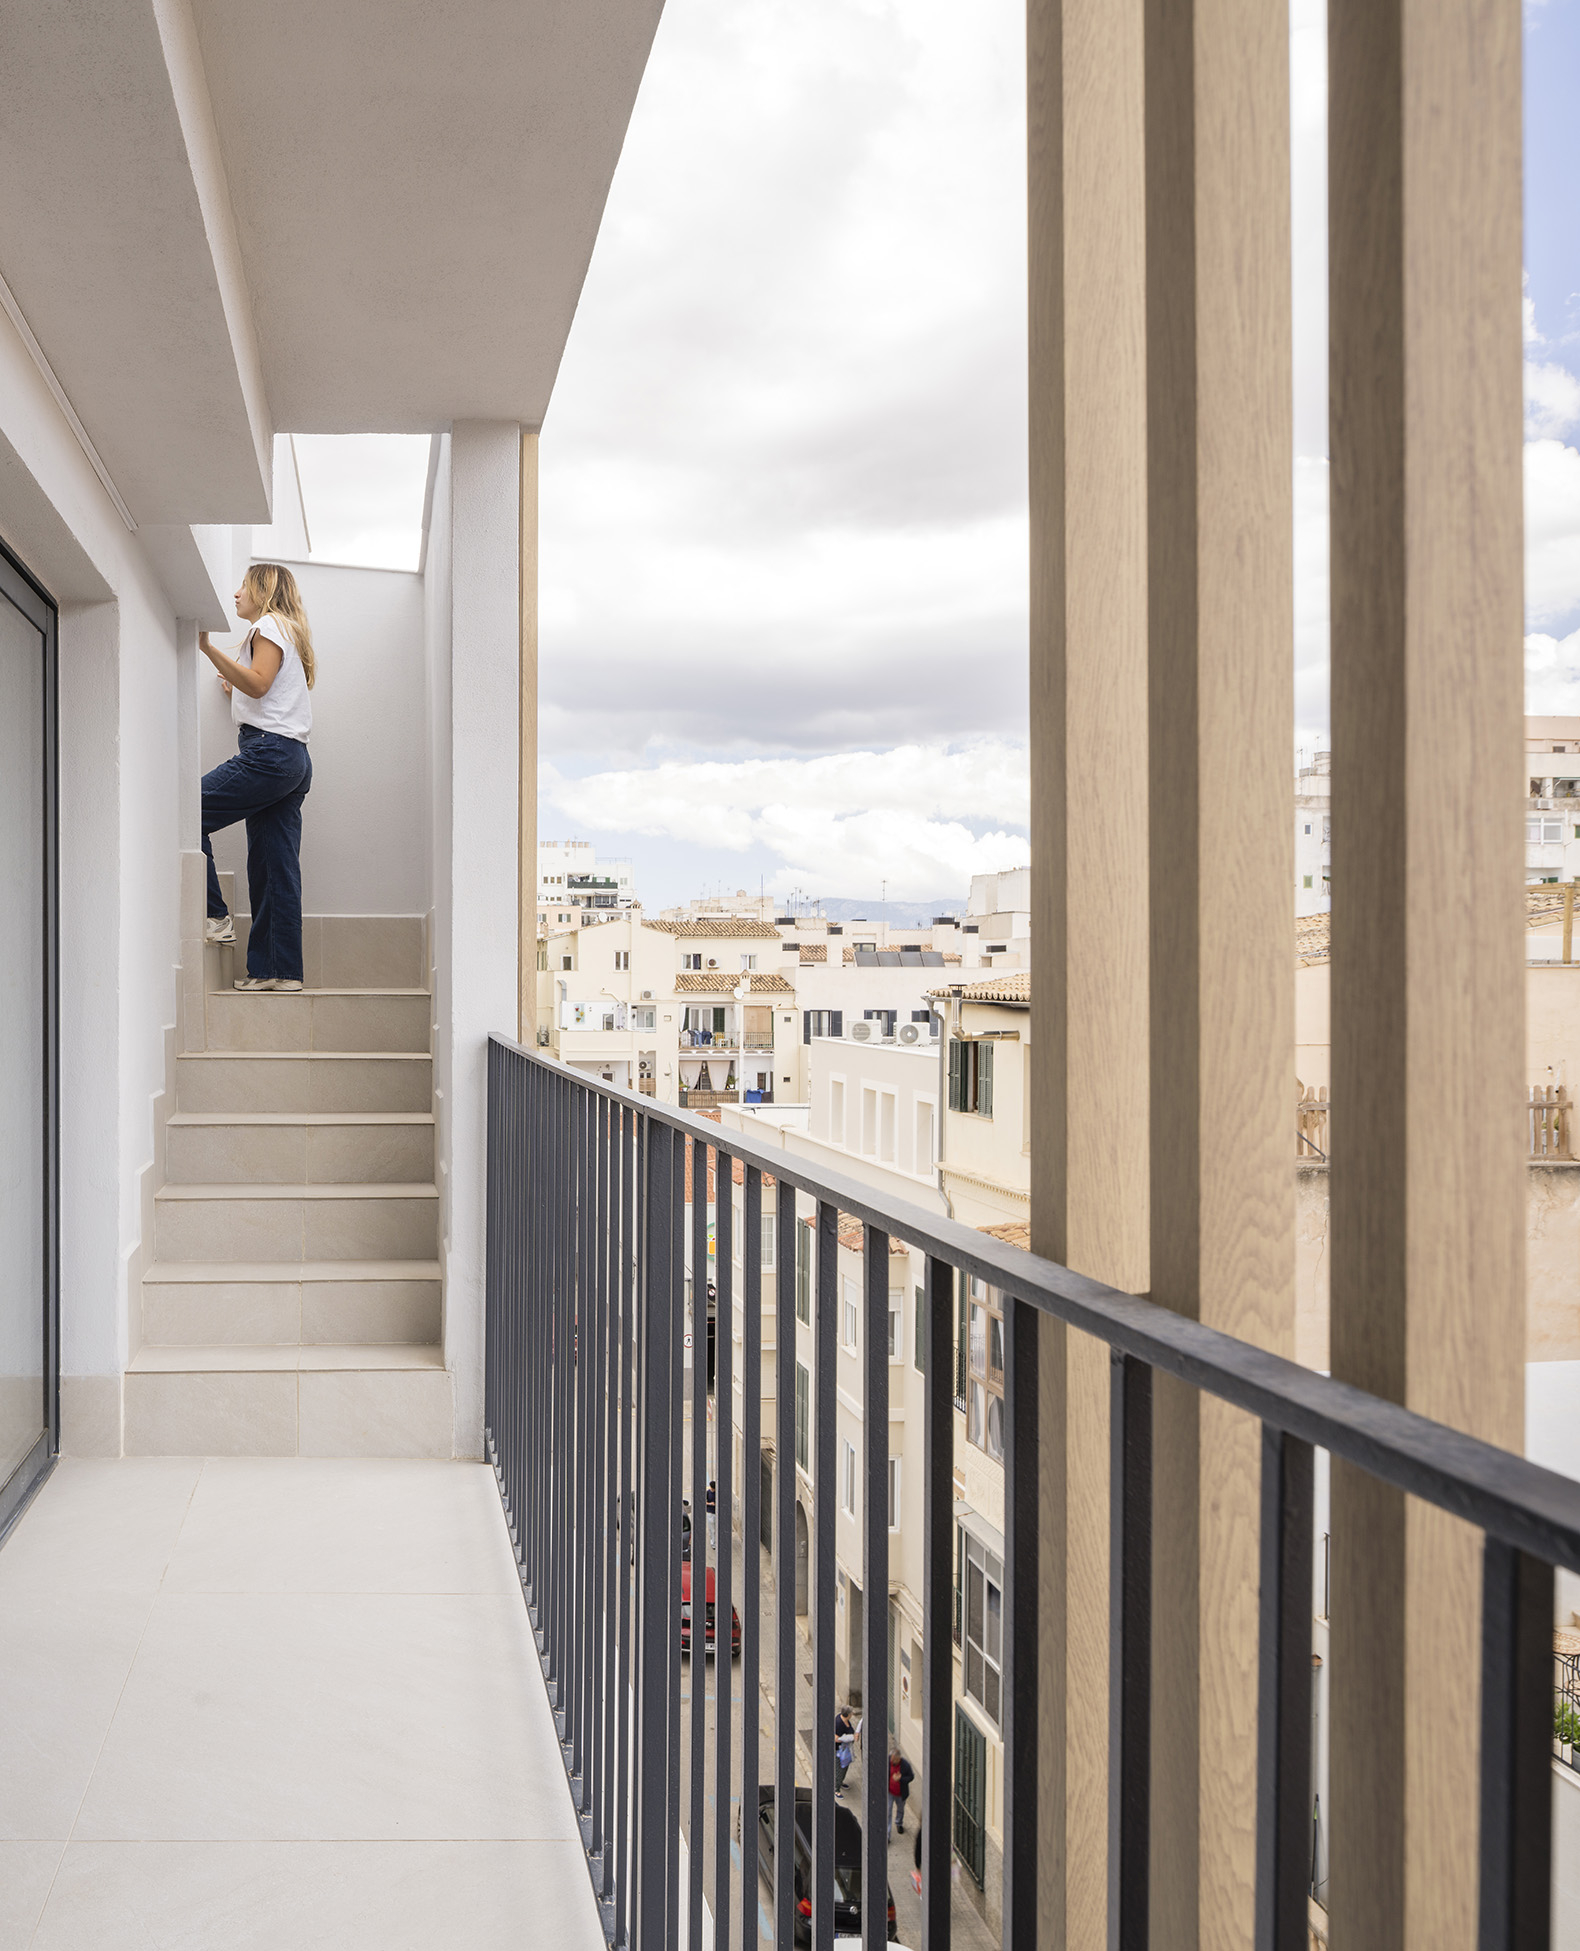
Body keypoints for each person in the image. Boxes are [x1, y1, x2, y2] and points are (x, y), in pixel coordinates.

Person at [198, 564, 316, 992]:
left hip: (269, 754)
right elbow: (270, 690)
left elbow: (262, 684)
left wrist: (208, 649)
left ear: (263, 589)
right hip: (291, 758)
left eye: (243, 586)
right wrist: (235, 685)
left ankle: (214, 915)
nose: (235, 593)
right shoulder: (287, 629)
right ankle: (279, 971)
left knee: (187, 811)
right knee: (275, 866)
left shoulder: (267, 624)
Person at [888, 1745, 915, 1836]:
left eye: (894, 1759)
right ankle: (887, 1835)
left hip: (900, 1793)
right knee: (888, 1811)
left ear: (898, 1759)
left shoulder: (905, 1765)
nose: (892, 1761)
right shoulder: (888, 1761)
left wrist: (901, 1779)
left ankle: (899, 1823)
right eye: (891, 1758)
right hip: (889, 1791)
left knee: (900, 1810)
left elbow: (911, 1777)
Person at [833, 1705, 856, 1799]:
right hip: (839, 1751)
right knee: (840, 1769)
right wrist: (850, 1738)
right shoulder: (838, 1723)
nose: (852, 1715)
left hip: (845, 1749)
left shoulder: (845, 1720)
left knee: (844, 1768)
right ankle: (836, 1789)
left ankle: (840, 1782)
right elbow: (836, 1739)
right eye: (851, 1713)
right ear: (848, 1714)